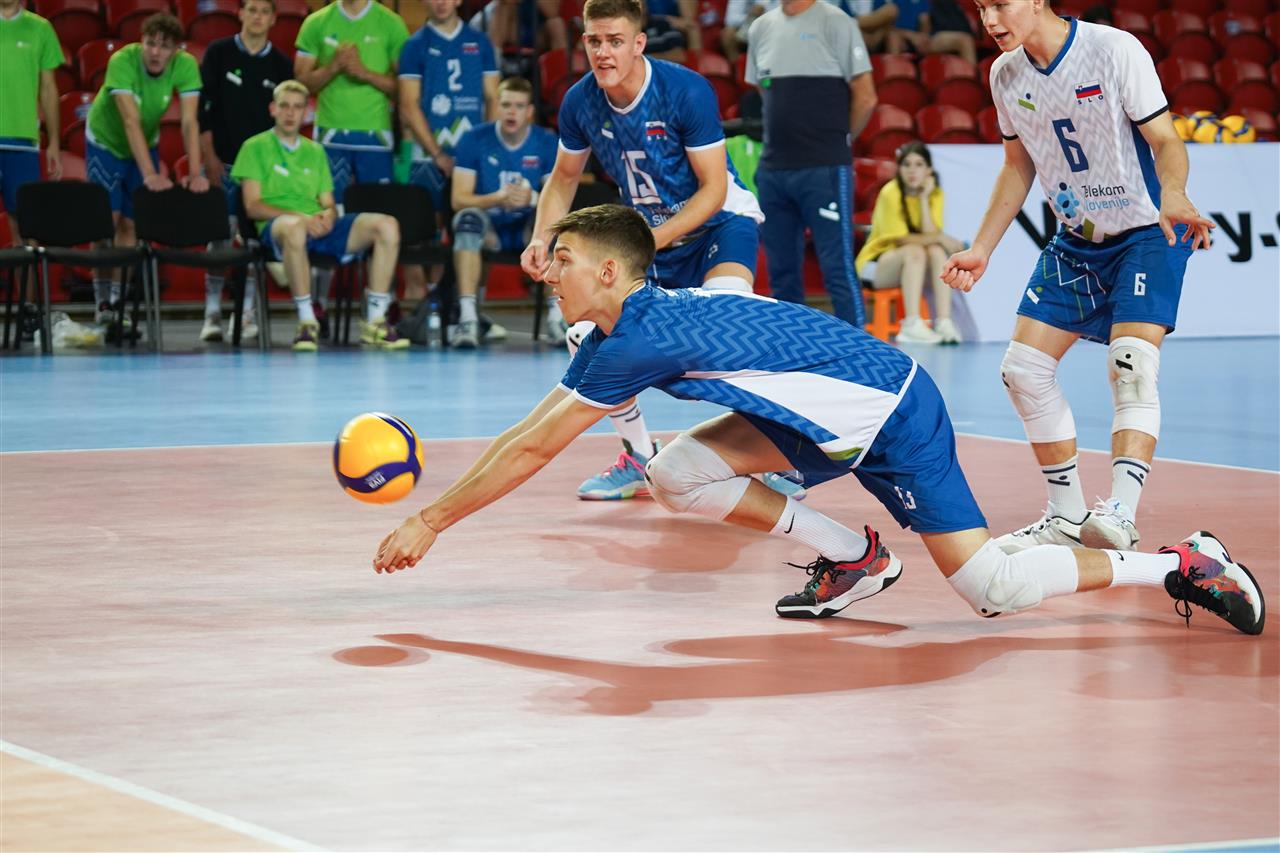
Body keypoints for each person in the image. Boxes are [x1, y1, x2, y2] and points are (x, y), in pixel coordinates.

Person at [372, 203, 1265, 641]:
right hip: (817, 411)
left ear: (609, 273)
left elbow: (532, 446)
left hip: (891, 410)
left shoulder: (635, 336)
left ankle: (1181, 564)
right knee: (675, 473)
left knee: (992, 586)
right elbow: (530, 430)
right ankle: (855, 557)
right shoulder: (627, 324)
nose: (547, 272)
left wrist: (430, 520)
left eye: (562, 260)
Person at [941, 1, 1215, 555]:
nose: (989, 20)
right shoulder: (1004, 73)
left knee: (1130, 366)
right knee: (1022, 371)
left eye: (1000, 4)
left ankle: (1120, 513)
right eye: (981, 7)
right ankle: (1066, 516)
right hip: (1077, 239)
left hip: (1148, 231)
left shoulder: (1113, 50)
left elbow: (1165, 140)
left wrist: (1176, 192)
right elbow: (1017, 165)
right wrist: (982, 248)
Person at [519, 0, 765, 502]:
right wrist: (542, 237)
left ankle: (772, 460)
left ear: (638, 43)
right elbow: (563, 178)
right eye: (594, 41)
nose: (603, 53)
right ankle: (638, 456)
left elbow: (713, 190)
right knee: (585, 336)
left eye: (615, 41)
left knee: (733, 338)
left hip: (721, 226)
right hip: (651, 239)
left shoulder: (684, 91)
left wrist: (647, 242)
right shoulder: (580, 101)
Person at [232, 80, 407, 351]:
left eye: (297, 107)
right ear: (273, 109)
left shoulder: (315, 151)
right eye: (284, 106)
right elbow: (253, 206)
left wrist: (329, 217)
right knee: (294, 227)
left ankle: (375, 321)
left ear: (306, 113)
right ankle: (307, 322)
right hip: (279, 227)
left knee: (387, 225)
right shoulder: (254, 147)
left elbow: (327, 202)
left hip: (315, 224)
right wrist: (301, 218)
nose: (290, 113)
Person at [747, 0, 877, 329]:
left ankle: (857, 348)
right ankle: (791, 347)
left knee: (837, 267)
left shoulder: (837, 22)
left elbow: (866, 97)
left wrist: (837, 141)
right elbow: (767, 94)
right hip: (774, 169)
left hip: (825, 167)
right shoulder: (760, 28)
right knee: (781, 272)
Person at [85, 13, 209, 328]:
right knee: (106, 224)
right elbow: (130, 121)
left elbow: (189, 122)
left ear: (176, 50)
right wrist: (150, 174)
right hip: (106, 141)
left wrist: (196, 172)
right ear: (141, 42)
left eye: (164, 47)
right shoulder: (122, 61)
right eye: (150, 43)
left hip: (145, 141)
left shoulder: (186, 65)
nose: (155, 52)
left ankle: (117, 302)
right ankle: (101, 301)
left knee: (131, 224)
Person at [398, 0, 498, 330]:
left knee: (472, 227)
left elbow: (493, 99)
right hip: (427, 156)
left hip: (471, 158)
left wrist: (484, 150)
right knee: (420, 234)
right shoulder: (415, 45)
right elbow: (409, 105)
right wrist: (438, 153)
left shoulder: (480, 42)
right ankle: (425, 310)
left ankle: (472, 310)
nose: (441, 2)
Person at [197, 0, 294, 343]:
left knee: (254, 242)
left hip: (261, 173)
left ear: (273, 19)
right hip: (222, 163)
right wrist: (209, 156)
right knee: (219, 239)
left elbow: (285, 123)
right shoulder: (218, 53)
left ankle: (247, 312)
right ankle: (211, 312)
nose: (257, 17)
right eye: (251, 9)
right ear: (240, 13)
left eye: (264, 12)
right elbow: (203, 111)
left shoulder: (281, 64)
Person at [447, 76, 557, 348]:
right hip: (490, 230)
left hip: (528, 232)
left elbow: (558, 197)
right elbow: (458, 199)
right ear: (496, 106)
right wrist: (497, 198)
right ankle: (468, 319)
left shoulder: (546, 141)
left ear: (530, 111)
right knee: (466, 220)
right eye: (506, 105)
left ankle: (558, 318)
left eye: (519, 106)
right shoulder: (474, 139)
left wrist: (532, 198)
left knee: (555, 224)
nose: (511, 112)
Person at [294, 0, 408, 203]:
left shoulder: (392, 24)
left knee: (377, 212)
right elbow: (301, 84)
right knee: (330, 210)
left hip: (376, 136)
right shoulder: (316, 22)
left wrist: (365, 73)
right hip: (330, 135)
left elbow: (406, 89)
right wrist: (333, 67)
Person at [855, 141, 964, 344]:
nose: (912, 170)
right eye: (906, 164)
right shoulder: (891, 192)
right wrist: (941, 237)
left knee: (936, 251)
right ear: (899, 169)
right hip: (873, 267)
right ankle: (911, 324)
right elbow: (901, 239)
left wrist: (923, 199)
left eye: (919, 164)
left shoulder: (935, 193)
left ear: (929, 170)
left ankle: (944, 322)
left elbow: (930, 234)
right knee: (916, 250)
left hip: (912, 268)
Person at [0, 0, 62, 341]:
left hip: (23, 142)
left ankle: (28, 310)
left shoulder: (40, 28)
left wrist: (53, 141)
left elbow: (49, 88)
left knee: (23, 229)